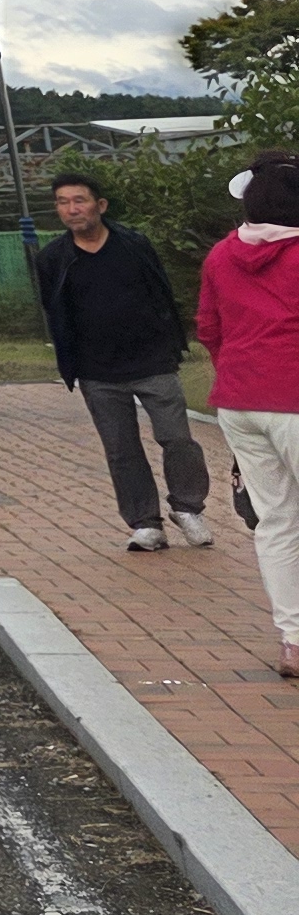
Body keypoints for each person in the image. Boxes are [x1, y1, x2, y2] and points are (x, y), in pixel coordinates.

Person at [36, 168, 208, 553]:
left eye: (79, 200)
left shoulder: (133, 245)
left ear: (100, 205)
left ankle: (188, 507)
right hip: (97, 371)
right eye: (63, 203)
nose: (71, 209)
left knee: (177, 438)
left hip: (153, 361)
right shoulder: (53, 259)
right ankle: (145, 523)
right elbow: (55, 312)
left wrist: (171, 344)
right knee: (121, 450)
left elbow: (161, 293)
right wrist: (71, 364)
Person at [195, 155, 299, 677]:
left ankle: (294, 640)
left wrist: (240, 374)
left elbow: (208, 328)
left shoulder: (221, 255)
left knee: (277, 521)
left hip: (240, 402)